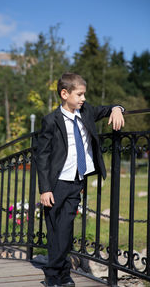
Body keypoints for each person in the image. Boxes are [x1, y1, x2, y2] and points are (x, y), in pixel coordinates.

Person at [36, 73, 125, 287]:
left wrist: (117, 108)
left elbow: (107, 108)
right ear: (64, 94)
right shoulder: (51, 120)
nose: (83, 98)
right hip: (56, 183)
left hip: (77, 182)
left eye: (84, 94)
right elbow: (43, 156)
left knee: (65, 229)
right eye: (80, 94)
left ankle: (56, 273)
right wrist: (45, 188)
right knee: (55, 229)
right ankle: (58, 274)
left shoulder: (85, 112)